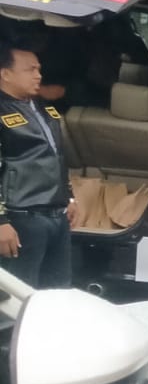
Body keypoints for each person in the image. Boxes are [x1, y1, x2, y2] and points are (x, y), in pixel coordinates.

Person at [0, 39, 78, 287]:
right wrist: (1, 222)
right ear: (5, 74)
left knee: (57, 292)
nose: (38, 75)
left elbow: (56, 157)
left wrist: (69, 197)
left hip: (56, 215)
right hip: (21, 217)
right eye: (30, 70)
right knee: (18, 295)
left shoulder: (42, 108)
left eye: (39, 69)